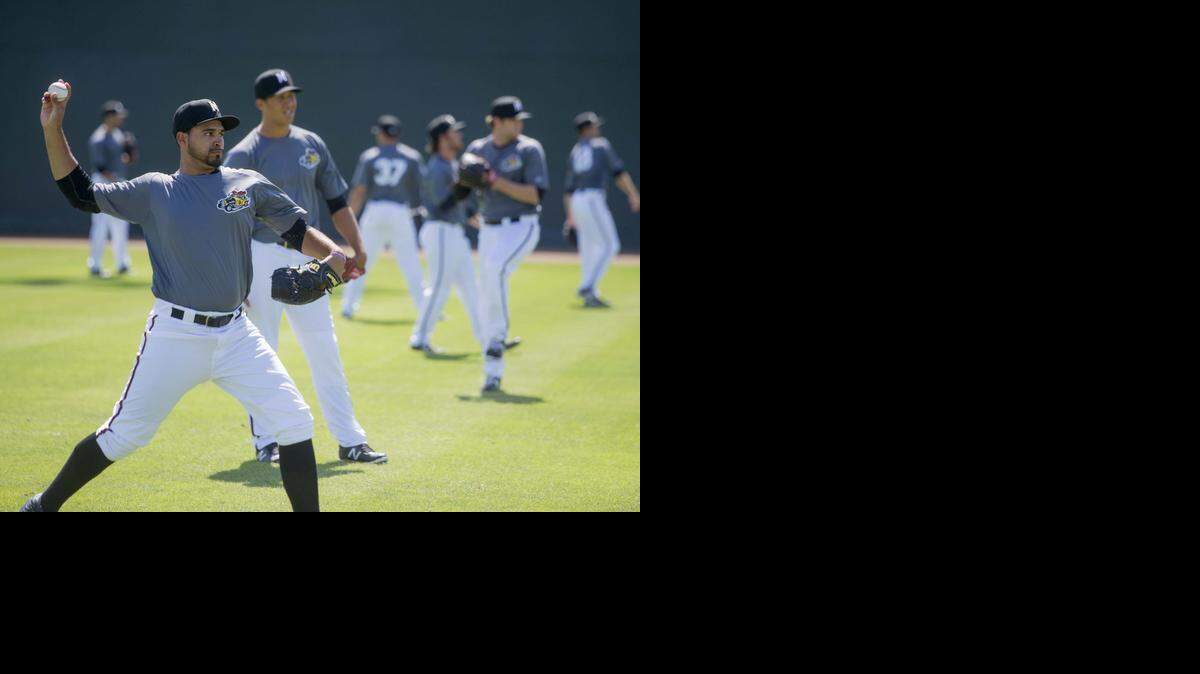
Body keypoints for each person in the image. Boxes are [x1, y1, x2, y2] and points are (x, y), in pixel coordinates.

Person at [22, 81, 345, 512]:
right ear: (182, 138)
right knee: (124, 436)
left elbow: (297, 230)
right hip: (175, 334)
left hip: (236, 335)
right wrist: (53, 127)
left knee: (294, 420)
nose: (217, 139)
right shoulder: (156, 190)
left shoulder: (245, 184)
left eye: (220, 131)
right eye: (206, 131)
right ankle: (44, 505)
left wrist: (334, 254)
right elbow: (80, 193)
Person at [224, 68, 386, 465]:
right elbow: (227, 221)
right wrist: (237, 279)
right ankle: (266, 440)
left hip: (310, 258)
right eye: (281, 97)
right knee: (264, 352)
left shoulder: (311, 143)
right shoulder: (245, 153)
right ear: (261, 104)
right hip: (261, 255)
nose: (289, 102)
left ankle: (350, 440)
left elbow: (336, 200)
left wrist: (357, 248)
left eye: (292, 95)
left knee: (324, 349)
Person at [463, 96, 547, 393]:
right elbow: (464, 188)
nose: (520, 123)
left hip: (521, 225)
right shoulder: (477, 149)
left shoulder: (528, 148)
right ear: (497, 121)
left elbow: (534, 195)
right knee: (486, 290)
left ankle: (498, 336)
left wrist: (494, 179)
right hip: (489, 228)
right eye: (515, 118)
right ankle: (492, 372)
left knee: (496, 271)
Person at [410, 114, 486, 353]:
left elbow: (460, 203)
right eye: (455, 131)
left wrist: (471, 208)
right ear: (443, 138)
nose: (460, 135)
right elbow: (441, 205)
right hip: (440, 231)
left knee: (470, 288)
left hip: (454, 232)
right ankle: (420, 337)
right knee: (440, 286)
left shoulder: (452, 164)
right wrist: (464, 187)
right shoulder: (436, 166)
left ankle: (488, 339)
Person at [340, 115, 427, 320]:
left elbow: (359, 191)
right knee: (411, 262)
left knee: (361, 258)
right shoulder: (411, 156)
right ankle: (425, 307)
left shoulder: (370, 156)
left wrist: (348, 219)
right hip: (399, 211)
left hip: (375, 211)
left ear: (381, 133)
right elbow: (423, 187)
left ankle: (348, 306)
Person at [563, 111, 640, 307]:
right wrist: (633, 194)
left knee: (589, 247)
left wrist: (570, 215)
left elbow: (568, 189)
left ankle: (589, 290)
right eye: (595, 126)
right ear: (587, 129)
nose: (598, 129)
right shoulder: (601, 145)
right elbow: (618, 173)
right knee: (610, 245)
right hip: (591, 198)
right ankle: (588, 286)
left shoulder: (575, 150)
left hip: (577, 200)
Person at [87, 100, 137, 276]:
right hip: (102, 183)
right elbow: (100, 168)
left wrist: (129, 154)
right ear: (108, 117)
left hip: (117, 183)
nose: (121, 118)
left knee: (120, 223)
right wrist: (116, 180)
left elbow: (125, 160)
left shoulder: (118, 135)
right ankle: (95, 264)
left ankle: (122, 262)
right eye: (117, 115)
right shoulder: (99, 138)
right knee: (100, 225)